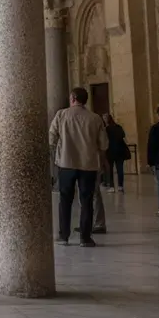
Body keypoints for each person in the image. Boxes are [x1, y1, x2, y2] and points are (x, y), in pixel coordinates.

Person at [49, 87, 107, 247]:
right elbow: (103, 144)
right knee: (86, 201)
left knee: (65, 200)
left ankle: (64, 236)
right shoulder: (95, 118)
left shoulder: (61, 115)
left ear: (73, 98)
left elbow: (51, 138)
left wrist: (57, 153)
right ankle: (85, 238)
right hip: (88, 165)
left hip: (66, 163)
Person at [103, 113, 130, 193]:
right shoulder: (118, 127)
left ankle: (112, 186)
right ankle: (120, 186)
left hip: (110, 151)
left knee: (110, 170)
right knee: (120, 169)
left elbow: (104, 140)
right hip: (120, 150)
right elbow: (123, 136)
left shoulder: (106, 129)